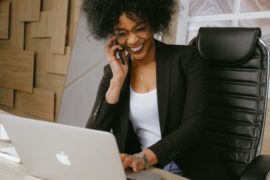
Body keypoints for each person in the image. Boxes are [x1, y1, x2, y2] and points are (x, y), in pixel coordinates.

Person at [83, 0, 229, 179]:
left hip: (186, 168)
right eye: (122, 33)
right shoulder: (114, 72)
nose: (132, 40)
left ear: (153, 22)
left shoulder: (187, 60)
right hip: (140, 171)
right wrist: (117, 81)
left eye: (140, 29)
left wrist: (143, 158)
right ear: (113, 37)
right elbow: (94, 134)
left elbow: (195, 125)